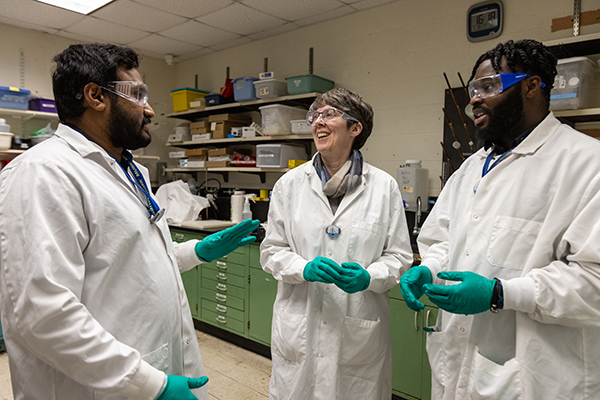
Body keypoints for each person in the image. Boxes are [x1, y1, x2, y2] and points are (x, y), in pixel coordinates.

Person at [0, 43, 259, 400]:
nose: (149, 109)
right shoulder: (44, 173)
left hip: (147, 367)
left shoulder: (129, 168)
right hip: (99, 386)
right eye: (137, 95)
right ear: (95, 96)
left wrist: (195, 251)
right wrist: (151, 385)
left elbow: (130, 260)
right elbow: (43, 314)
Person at [400, 39, 600, 399]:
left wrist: (500, 293)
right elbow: (445, 239)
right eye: (473, 89)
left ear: (531, 86)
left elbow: (594, 282)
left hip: (537, 376)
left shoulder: (587, 164)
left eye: (489, 86)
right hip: (458, 363)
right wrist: (428, 268)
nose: (475, 98)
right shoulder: (472, 168)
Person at [260, 88, 413, 400]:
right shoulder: (289, 185)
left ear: (355, 128)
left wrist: (369, 277)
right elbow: (271, 250)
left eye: (329, 114)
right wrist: (304, 268)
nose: (318, 122)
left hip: (357, 333)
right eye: (315, 116)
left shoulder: (384, 188)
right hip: (299, 327)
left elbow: (398, 256)